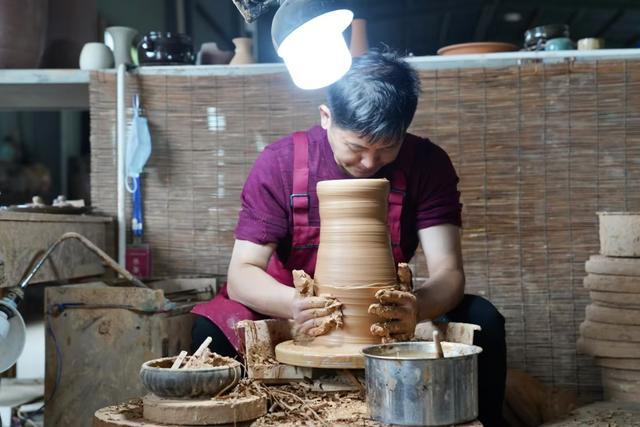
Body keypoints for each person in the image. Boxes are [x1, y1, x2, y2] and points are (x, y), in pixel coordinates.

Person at [192, 50, 507, 426]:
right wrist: (292, 304)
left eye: (387, 148)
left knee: (483, 318)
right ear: (326, 117)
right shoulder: (280, 162)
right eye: (356, 148)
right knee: (207, 329)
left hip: (382, 313)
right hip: (292, 307)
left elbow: (449, 272)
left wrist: (415, 308)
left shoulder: (427, 163)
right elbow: (242, 274)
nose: (370, 164)